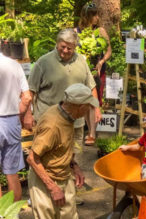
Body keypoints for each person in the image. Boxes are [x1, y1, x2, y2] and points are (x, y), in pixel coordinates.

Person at [27, 83, 99, 219]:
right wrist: (52, 188)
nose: (89, 110)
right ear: (80, 107)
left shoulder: (68, 115)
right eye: (88, 107)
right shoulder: (52, 125)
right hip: (44, 181)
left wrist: (74, 165)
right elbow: (32, 158)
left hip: (63, 176)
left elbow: (61, 147)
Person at [26, 28, 101, 150]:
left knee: (75, 159)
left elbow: (91, 87)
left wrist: (96, 108)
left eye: (69, 48)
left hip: (75, 124)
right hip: (49, 124)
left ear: (75, 47)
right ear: (57, 43)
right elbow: (30, 91)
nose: (65, 51)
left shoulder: (81, 61)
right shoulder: (43, 62)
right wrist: (28, 115)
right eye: (63, 46)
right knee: (45, 159)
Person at [75, 2, 112, 145]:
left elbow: (108, 51)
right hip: (82, 70)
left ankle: (92, 133)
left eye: (97, 14)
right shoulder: (76, 32)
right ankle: (89, 129)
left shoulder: (101, 31)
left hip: (97, 70)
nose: (97, 17)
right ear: (87, 16)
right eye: (94, 15)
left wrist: (102, 61)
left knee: (94, 102)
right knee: (85, 101)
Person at [0, 52, 31, 201]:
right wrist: (18, 115)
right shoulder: (14, 65)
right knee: (12, 173)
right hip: (11, 121)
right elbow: (27, 97)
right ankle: (14, 214)